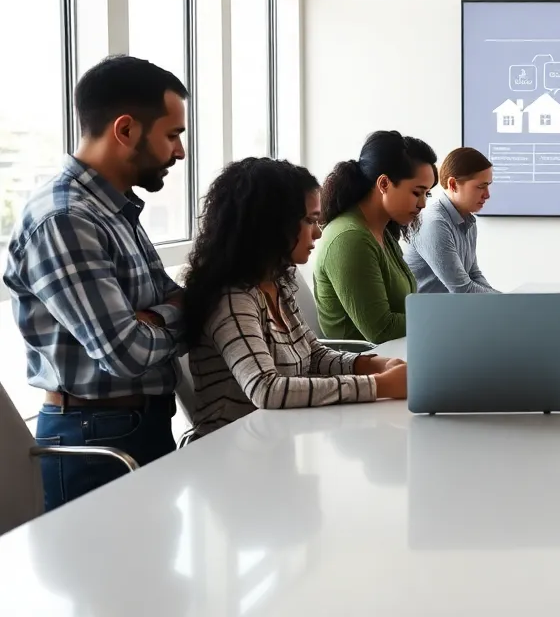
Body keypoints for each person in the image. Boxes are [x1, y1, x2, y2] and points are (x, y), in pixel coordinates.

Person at [2, 55, 188, 510]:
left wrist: (156, 317)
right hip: (96, 437)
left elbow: (180, 301)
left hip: (136, 424)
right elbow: (126, 352)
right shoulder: (66, 219)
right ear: (126, 130)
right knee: (114, 578)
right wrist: (166, 317)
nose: (180, 152)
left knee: (153, 576)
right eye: (172, 135)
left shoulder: (114, 209)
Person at [183, 158, 409, 439]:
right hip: (229, 453)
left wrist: (373, 364)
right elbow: (266, 389)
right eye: (309, 221)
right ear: (270, 224)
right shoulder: (232, 298)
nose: (318, 232)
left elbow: (312, 355)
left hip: (275, 441)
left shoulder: (278, 281)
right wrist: (380, 386)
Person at [406, 147, 560, 310]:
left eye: (488, 185)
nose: (487, 195)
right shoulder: (434, 222)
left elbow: (474, 276)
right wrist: (534, 304)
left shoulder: (468, 221)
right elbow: (463, 290)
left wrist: (516, 304)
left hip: (451, 317)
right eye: (481, 186)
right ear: (453, 185)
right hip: (425, 324)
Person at [312, 130, 437, 344]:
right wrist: (441, 320)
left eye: (427, 194)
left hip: (394, 355)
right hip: (361, 367)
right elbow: (381, 330)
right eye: (417, 192)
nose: (423, 204)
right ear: (384, 184)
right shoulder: (350, 239)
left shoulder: (383, 230)